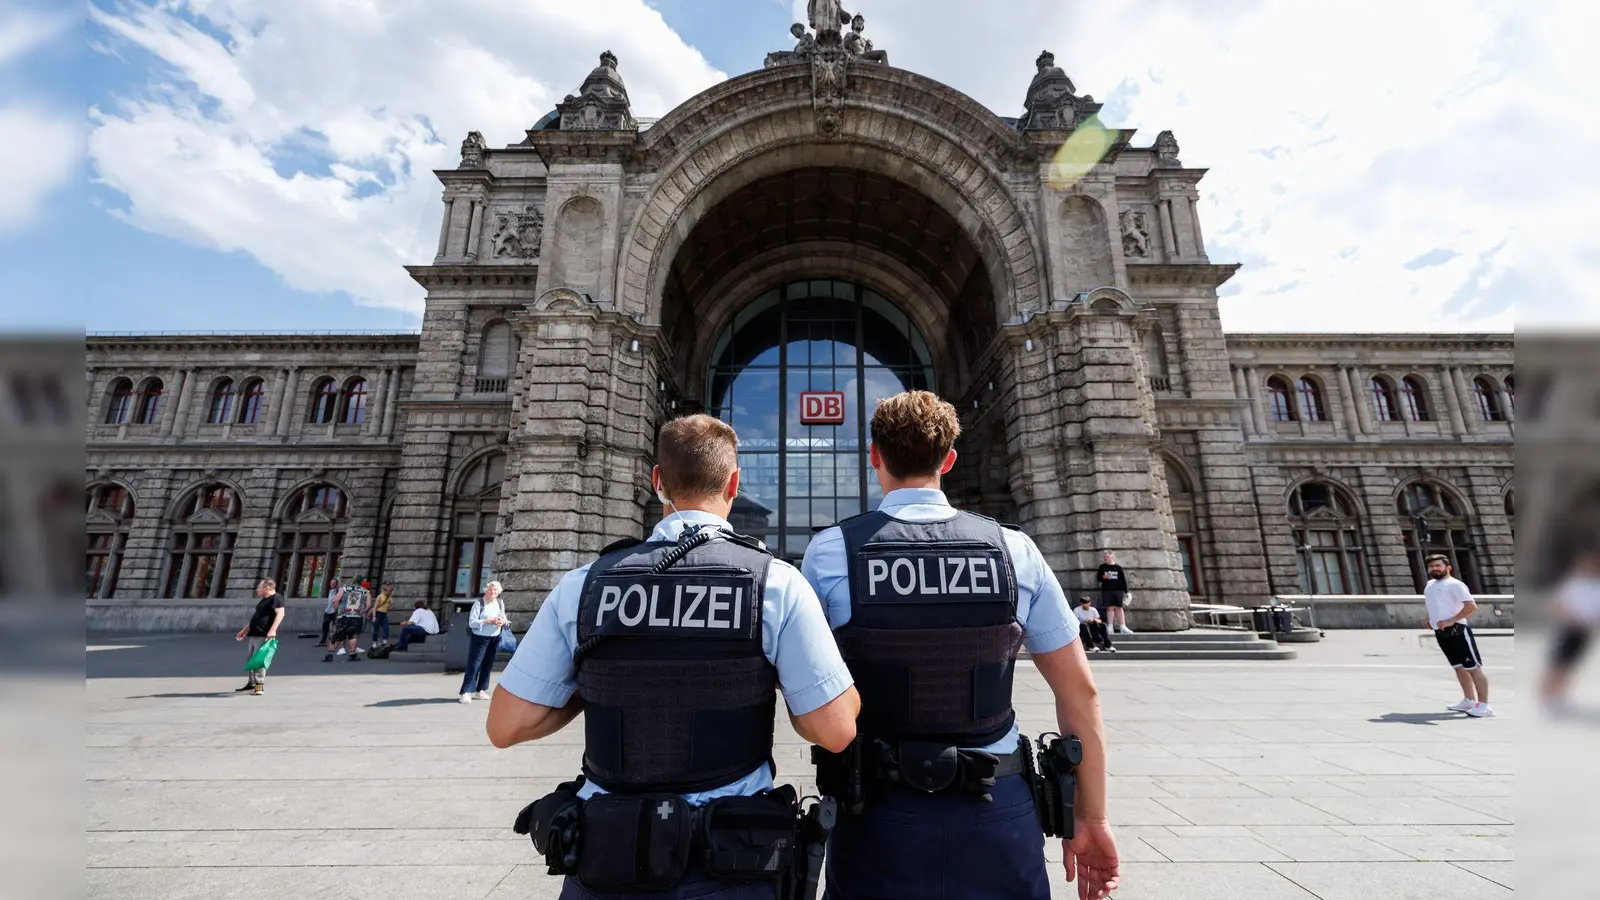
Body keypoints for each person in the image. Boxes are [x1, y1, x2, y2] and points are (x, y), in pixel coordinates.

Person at [486, 414, 861, 899]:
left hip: (607, 862)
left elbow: (506, 725)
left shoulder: (586, 584)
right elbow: (835, 731)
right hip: (731, 864)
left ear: (658, 482)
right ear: (734, 483)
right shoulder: (776, 582)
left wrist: (594, 678)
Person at [802, 391, 1119, 900]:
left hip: (878, 812)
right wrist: (1092, 815)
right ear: (948, 459)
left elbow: (810, 693)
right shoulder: (1013, 548)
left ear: (874, 455)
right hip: (999, 808)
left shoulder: (832, 551)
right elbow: (1081, 693)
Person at [1424, 554, 1493, 717]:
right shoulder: (1430, 584)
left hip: (1458, 631)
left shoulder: (1455, 585)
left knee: (1474, 668)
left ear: (1448, 568)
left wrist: (1452, 620)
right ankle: (1469, 700)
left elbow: (1471, 606)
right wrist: (1430, 618)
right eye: (1432, 566)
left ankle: (1484, 705)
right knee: (1458, 667)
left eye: (1438, 566)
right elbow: (1436, 604)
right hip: (1440, 631)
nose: (1435, 569)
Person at [1542, 546, 1600, 715]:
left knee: (1569, 667)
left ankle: (1558, 697)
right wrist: (1573, 621)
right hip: (1569, 629)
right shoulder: (1573, 583)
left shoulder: (1595, 586)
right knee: (1556, 665)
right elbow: (1558, 605)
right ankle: (1546, 698)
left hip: (1586, 632)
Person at [459, 581, 509, 704]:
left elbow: (504, 618)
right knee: (474, 664)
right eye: (490, 590)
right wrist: (487, 621)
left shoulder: (500, 603)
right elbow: (472, 622)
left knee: (487, 664)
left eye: (495, 591)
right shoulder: (479, 603)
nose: (493, 592)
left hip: (494, 636)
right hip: (480, 637)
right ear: (486, 591)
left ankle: (481, 689)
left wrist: (502, 622)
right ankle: (465, 692)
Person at [234, 577, 284, 695]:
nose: (257, 590)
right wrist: (245, 629)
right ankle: (251, 683)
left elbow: (281, 614)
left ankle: (259, 685)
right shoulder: (263, 600)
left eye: (259, 587)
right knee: (251, 659)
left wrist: (272, 630)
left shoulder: (276, 598)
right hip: (254, 633)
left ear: (267, 588)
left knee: (259, 660)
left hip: (264, 634)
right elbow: (257, 616)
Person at [324, 577, 370, 662]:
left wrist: (336, 611)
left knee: (336, 635)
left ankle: (330, 654)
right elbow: (368, 605)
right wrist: (362, 612)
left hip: (343, 615)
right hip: (356, 616)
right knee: (353, 635)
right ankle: (352, 653)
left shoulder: (344, 589)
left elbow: (336, 600)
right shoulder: (366, 591)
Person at [1096, 551, 1132, 634]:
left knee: (1119, 607)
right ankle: (1110, 626)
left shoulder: (1118, 567)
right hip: (1107, 590)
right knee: (1110, 608)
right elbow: (1098, 578)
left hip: (1118, 590)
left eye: (1107, 557)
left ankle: (1123, 626)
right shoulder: (1102, 567)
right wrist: (1104, 577)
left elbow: (1123, 580)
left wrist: (1126, 591)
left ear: (1112, 557)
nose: (1105, 558)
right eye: (1105, 557)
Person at [319, 576, 342, 644]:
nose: (332, 584)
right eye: (331, 583)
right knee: (325, 625)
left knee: (335, 626)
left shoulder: (338, 590)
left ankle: (334, 640)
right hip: (328, 611)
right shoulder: (330, 590)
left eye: (334, 583)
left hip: (335, 611)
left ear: (336, 584)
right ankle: (323, 639)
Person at [370, 583, 394, 647]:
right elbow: (375, 607)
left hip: (384, 614)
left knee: (386, 628)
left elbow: (390, 606)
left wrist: (391, 604)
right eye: (389, 591)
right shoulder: (380, 596)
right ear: (385, 591)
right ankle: (374, 642)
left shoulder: (389, 597)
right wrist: (374, 616)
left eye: (391, 591)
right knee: (376, 629)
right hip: (378, 613)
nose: (390, 592)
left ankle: (384, 641)